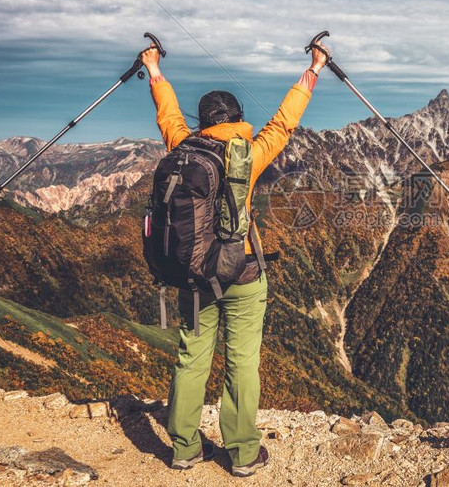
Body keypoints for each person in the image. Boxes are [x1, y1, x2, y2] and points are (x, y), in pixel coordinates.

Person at [140, 40, 328, 477]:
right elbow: (284, 123)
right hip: (241, 274)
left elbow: (167, 114)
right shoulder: (249, 154)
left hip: (192, 275)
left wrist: (154, 69)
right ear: (239, 119)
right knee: (242, 362)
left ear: (202, 123)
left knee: (191, 357)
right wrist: (313, 69)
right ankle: (242, 454)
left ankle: (185, 449)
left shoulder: (182, 148)